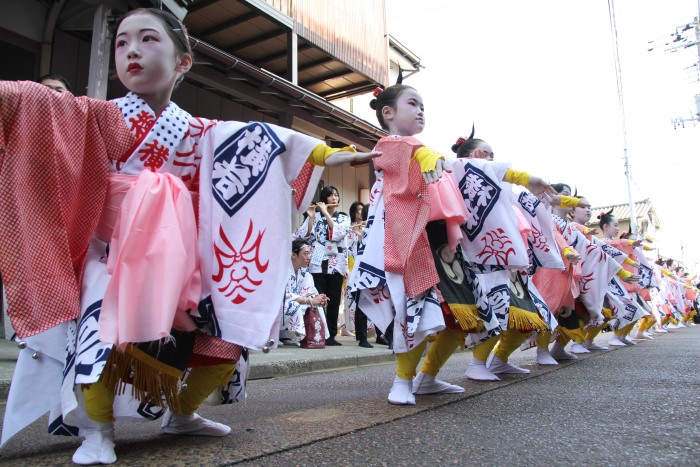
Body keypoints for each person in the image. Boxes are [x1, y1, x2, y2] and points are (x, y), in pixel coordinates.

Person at [0, 8, 379, 464]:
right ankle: (97, 431)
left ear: (183, 62)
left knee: (225, 341)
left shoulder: (204, 132)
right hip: (115, 254)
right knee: (103, 340)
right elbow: (34, 105)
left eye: (147, 39)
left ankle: (182, 411)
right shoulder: (95, 115)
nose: (132, 51)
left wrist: (320, 152)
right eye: (122, 43)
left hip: (183, 259)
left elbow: (261, 139)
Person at [294, 186, 350, 346]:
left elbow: (338, 233)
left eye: (336, 195)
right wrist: (311, 217)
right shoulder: (316, 215)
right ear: (324, 198)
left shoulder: (344, 218)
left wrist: (326, 213)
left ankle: (331, 334)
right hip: (318, 262)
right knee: (318, 296)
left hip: (336, 263)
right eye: (331, 195)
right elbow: (304, 235)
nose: (334, 198)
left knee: (334, 299)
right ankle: (319, 332)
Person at [280, 239, 329, 345]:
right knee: (294, 306)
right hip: (277, 305)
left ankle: (315, 338)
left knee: (315, 305)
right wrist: (309, 300)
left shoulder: (305, 273)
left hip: (293, 302)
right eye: (305, 253)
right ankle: (276, 334)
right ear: (293, 255)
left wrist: (319, 298)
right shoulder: (283, 270)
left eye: (309, 253)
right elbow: (283, 295)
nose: (308, 257)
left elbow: (310, 292)